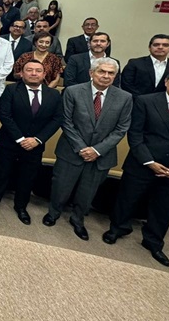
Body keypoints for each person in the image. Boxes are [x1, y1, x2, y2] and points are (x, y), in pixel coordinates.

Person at [103, 66, 169, 267]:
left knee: (164, 208)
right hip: (143, 163)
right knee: (127, 200)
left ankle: (153, 241)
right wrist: (150, 162)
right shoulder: (145, 101)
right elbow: (135, 134)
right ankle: (117, 228)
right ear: (167, 82)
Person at [44, 58, 132, 240]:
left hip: (101, 156)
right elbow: (66, 121)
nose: (106, 76)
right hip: (71, 150)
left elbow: (121, 129)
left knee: (88, 192)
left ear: (115, 76)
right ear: (92, 73)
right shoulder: (73, 91)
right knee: (61, 186)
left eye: (111, 73)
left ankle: (78, 219)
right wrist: (82, 148)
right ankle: (53, 212)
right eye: (102, 71)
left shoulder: (125, 98)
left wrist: (97, 150)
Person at [0, 60, 63, 224]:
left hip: (36, 145)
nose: (34, 73)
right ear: (21, 73)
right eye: (29, 70)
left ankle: (21, 207)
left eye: (38, 70)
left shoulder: (54, 95)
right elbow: (5, 115)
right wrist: (20, 138)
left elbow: (57, 119)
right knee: (1, 173)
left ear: (44, 74)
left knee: (27, 177)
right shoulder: (11, 90)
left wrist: (37, 139)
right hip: (10, 141)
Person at [121, 34, 169, 98]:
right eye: (156, 45)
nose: (160, 47)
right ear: (149, 47)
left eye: (165, 45)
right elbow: (126, 84)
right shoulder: (135, 63)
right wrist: (142, 100)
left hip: (165, 102)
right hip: (137, 101)